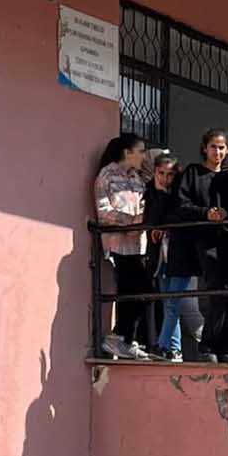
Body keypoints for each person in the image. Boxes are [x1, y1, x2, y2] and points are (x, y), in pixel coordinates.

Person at [170, 129, 228, 364]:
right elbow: (181, 204)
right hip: (204, 240)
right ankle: (208, 345)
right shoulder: (193, 173)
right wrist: (206, 213)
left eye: (222, 147)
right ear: (205, 148)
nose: (218, 152)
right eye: (214, 147)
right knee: (215, 291)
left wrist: (227, 213)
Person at [93, 133, 150, 360]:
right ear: (128, 153)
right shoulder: (107, 175)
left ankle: (125, 338)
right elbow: (103, 211)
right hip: (118, 243)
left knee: (143, 291)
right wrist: (131, 221)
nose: (144, 155)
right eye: (141, 151)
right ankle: (118, 337)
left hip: (138, 244)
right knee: (133, 289)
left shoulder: (137, 178)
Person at [141, 150, 186, 362]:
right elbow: (150, 220)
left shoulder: (181, 193)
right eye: (161, 173)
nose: (165, 178)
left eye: (169, 174)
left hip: (179, 253)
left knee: (173, 302)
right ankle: (174, 349)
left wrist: (164, 225)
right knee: (168, 301)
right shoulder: (151, 192)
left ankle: (161, 345)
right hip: (159, 255)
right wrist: (159, 193)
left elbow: (178, 215)